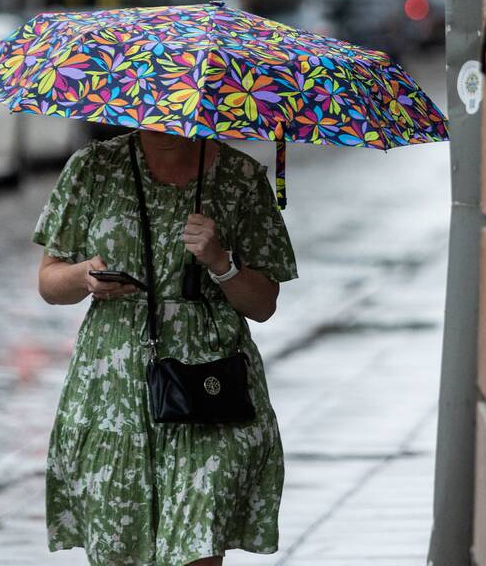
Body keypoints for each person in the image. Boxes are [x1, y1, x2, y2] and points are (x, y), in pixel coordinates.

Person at [33, 128, 299, 566]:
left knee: (199, 544)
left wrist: (221, 262)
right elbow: (48, 282)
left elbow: (263, 303)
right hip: (113, 392)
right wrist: (85, 277)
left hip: (210, 392)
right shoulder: (93, 167)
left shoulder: (240, 178)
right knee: (121, 550)